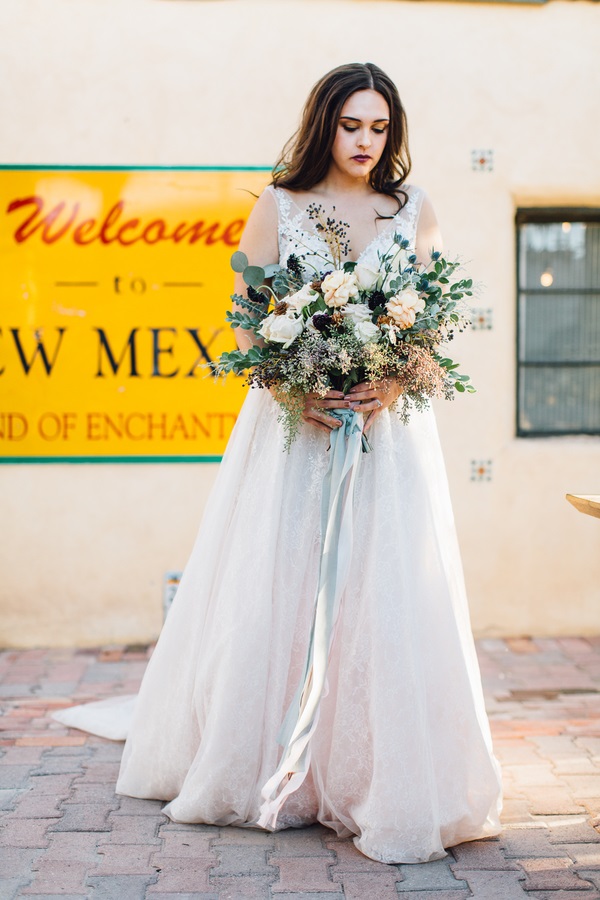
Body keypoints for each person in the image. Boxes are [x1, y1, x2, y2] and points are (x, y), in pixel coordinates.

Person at [56, 62, 502, 865]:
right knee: (286, 582)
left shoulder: (413, 210)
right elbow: (243, 318)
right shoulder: (280, 206)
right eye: (351, 124)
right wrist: (290, 387)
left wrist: (395, 374)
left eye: (379, 126)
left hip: (387, 437)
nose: (366, 141)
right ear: (325, 123)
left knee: (385, 589)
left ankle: (374, 772)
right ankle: (272, 763)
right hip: (299, 433)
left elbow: (431, 320)